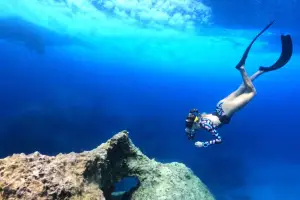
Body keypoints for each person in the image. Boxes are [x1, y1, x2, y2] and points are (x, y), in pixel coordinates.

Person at [185, 21, 293, 148]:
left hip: (225, 112)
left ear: (196, 125)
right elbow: (193, 115)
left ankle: (242, 68)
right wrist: (191, 133)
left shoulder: (205, 125)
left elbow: (219, 139)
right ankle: (260, 71)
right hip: (220, 106)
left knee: (252, 92)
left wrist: (203, 144)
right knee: (242, 87)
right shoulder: (197, 121)